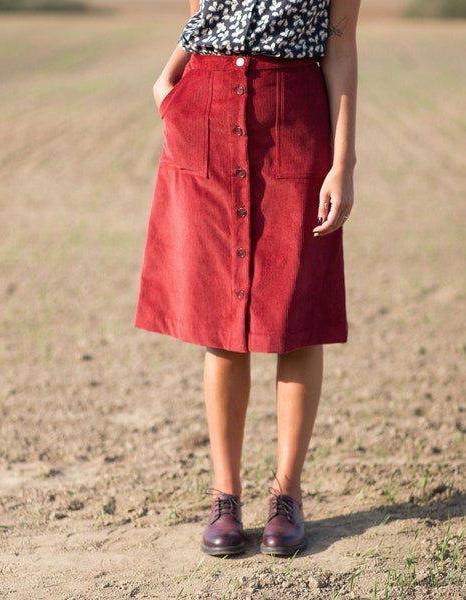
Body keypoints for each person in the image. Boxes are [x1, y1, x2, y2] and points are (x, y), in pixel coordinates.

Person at [136, 0, 360, 557]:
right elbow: (204, 15)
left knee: (297, 316)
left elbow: (340, 44)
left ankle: (287, 495)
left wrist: (344, 161)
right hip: (206, 107)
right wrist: (168, 81)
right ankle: (225, 496)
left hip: (294, 113)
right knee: (220, 319)